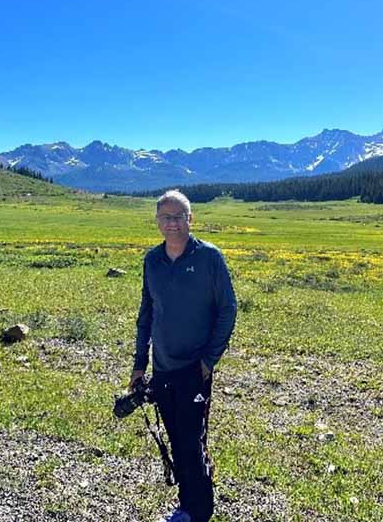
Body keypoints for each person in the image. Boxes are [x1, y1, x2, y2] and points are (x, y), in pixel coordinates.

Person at [130, 189, 237, 522]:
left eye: (178, 217)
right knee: (176, 440)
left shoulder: (209, 258)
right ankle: (186, 507)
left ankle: (199, 512)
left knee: (193, 442)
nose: (172, 223)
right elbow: (147, 313)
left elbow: (228, 309)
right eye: (166, 217)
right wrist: (139, 364)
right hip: (162, 368)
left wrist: (209, 361)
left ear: (190, 219)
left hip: (195, 369)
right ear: (157, 222)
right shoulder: (152, 260)